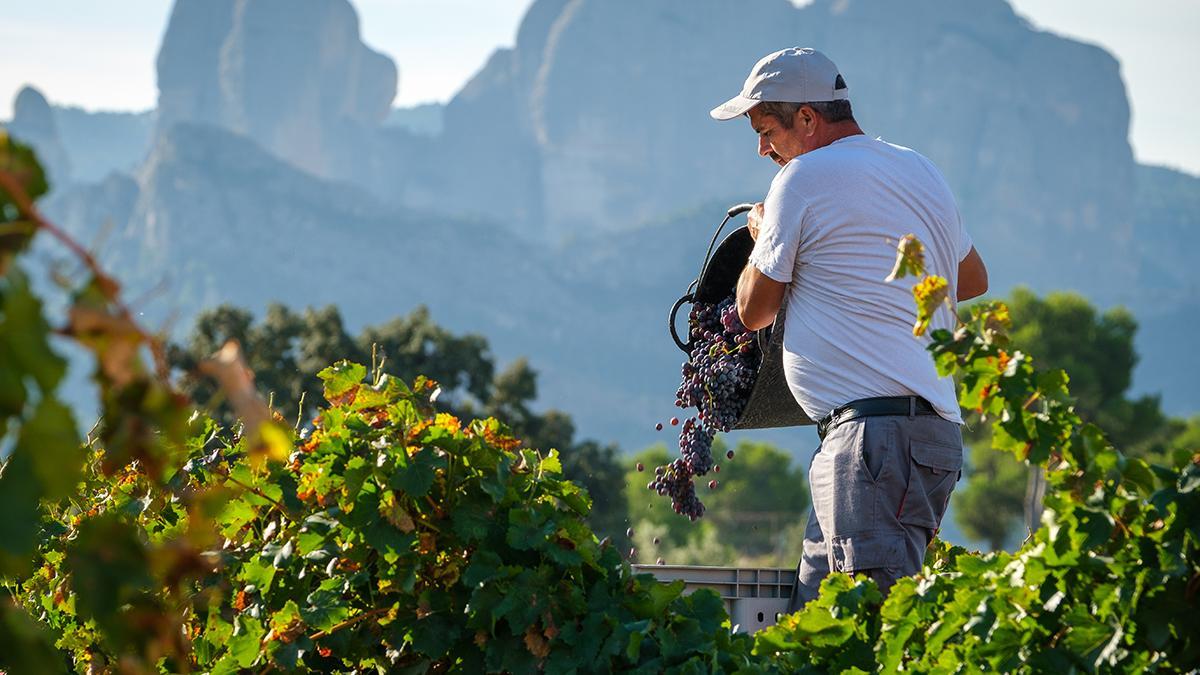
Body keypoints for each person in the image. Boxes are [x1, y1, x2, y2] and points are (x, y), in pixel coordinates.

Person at [710, 47, 989, 610]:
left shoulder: (801, 179)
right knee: (818, 623)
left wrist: (762, 233)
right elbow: (972, 278)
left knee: (869, 624)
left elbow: (753, 312)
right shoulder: (919, 169)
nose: (763, 150)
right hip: (914, 436)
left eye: (766, 132)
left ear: (807, 118)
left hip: (875, 445)